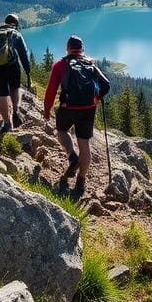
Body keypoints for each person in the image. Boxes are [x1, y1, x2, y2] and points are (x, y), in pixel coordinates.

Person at [43, 35, 111, 198]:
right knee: (84, 144)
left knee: (62, 131)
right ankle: (81, 181)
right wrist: (96, 98)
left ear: (68, 48)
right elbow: (106, 85)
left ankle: (71, 155)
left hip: (68, 107)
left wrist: (47, 109)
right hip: (88, 109)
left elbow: (51, 90)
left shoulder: (60, 64)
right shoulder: (90, 63)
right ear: (81, 49)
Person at [0, 13, 31, 132]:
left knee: (2, 94)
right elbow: (23, 54)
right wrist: (27, 71)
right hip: (12, 66)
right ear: (15, 24)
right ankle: (15, 111)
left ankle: (7, 123)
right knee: (14, 89)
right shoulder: (16, 34)